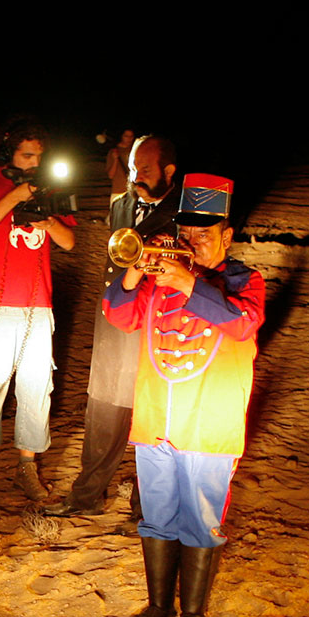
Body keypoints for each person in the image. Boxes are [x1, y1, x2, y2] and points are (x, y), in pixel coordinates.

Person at [102, 173, 265, 617]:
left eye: (205, 235)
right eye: (186, 233)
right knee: (156, 514)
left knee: (201, 516)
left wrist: (188, 282)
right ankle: (158, 605)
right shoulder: (160, 276)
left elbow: (241, 323)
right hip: (156, 421)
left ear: (227, 237)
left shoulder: (243, 280)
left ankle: (193, 612)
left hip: (208, 426)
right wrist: (135, 268)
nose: (192, 242)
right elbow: (118, 315)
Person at [45, 134, 182, 518]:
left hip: (155, 326)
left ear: (169, 171)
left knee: (150, 420)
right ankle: (87, 496)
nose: (138, 176)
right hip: (113, 323)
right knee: (102, 413)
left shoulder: (183, 212)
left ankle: (146, 510)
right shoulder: (122, 205)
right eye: (135, 168)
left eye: (147, 169)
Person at [0, 115, 77, 502]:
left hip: (38, 306)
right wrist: (13, 197)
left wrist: (48, 218)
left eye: (39, 157)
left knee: (36, 389)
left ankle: (27, 467)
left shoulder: (50, 188)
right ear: (9, 153)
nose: (33, 164)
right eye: (27, 156)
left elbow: (69, 242)